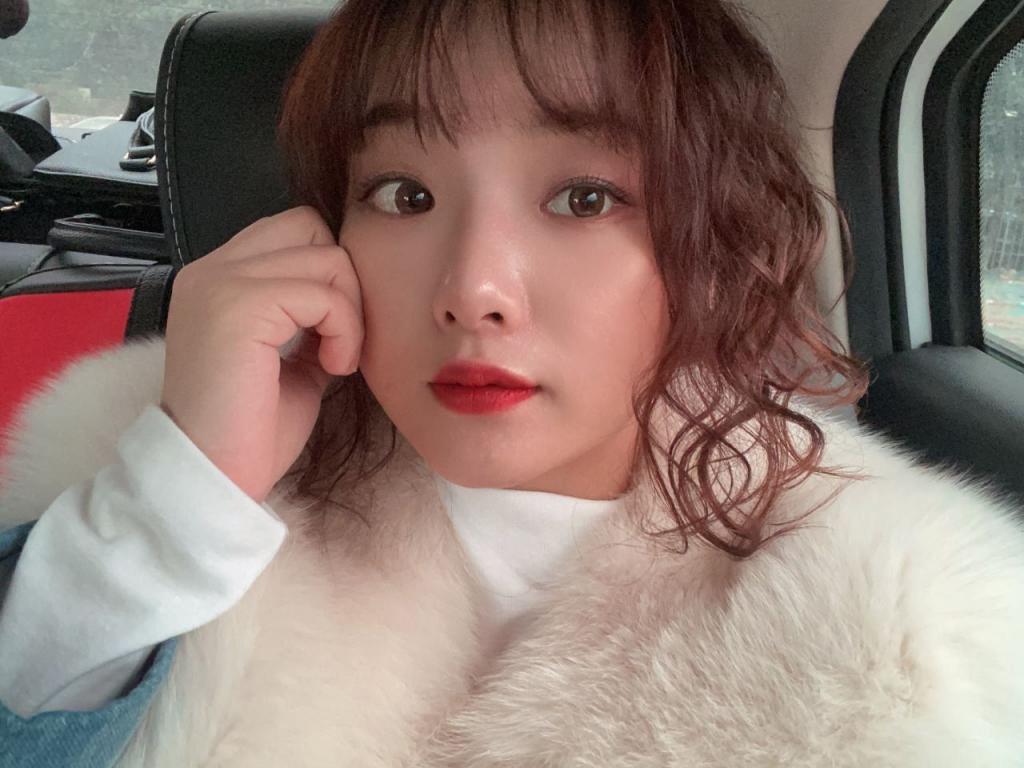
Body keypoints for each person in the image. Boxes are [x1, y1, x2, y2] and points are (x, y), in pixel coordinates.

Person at [1, 0, 1023, 765]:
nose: (472, 290)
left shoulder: (914, 634)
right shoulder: (133, 493)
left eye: (584, 197)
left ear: (709, 252)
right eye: (404, 194)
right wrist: (179, 500)